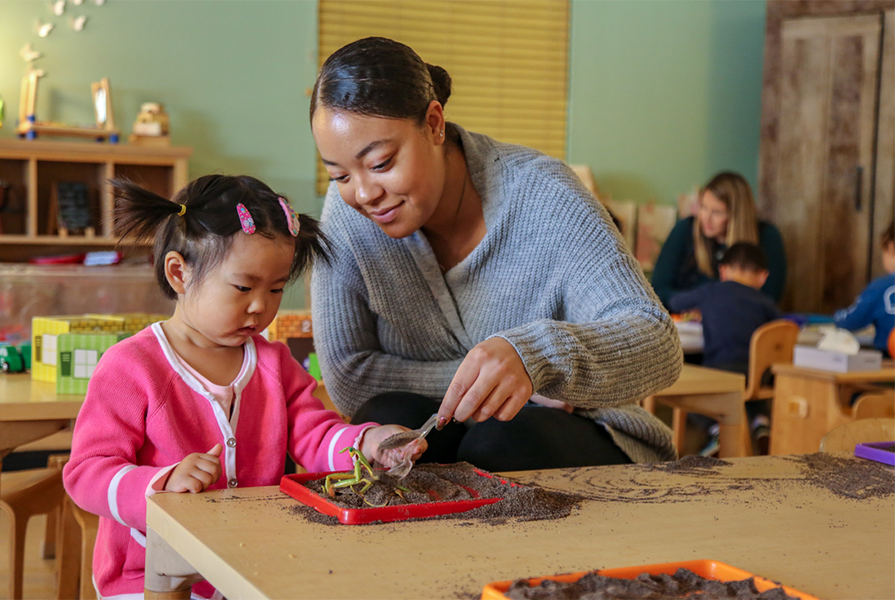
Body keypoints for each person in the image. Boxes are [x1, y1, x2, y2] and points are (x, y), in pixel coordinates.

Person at [308, 36, 683, 473]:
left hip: (581, 434)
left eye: (381, 163)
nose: (364, 193)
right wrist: (487, 381)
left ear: (433, 123)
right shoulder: (348, 216)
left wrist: (537, 358)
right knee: (389, 423)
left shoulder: (544, 195)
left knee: (499, 442)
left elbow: (657, 342)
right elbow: (349, 376)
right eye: (339, 175)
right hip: (448, 427)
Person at [62, 174, 424, 600]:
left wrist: (366, 442)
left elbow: (313, 432)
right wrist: (160, 483)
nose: (260, 306)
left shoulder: (272, 362)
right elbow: (87, 472)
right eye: (243, 287)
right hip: (147, 576)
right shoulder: (131, 367)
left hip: (251, 563)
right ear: (179, 273)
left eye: (275, 289)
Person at [668, 242, 782, 454]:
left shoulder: (711, 292)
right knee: (748, 390)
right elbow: (779, 330)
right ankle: (761, 422)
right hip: (759, 376)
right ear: (763, 276)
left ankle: (715, 429)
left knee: (682, 393)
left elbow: (675, 301)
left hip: (722, 370)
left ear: (723, 270)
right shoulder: (765, 302)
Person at [651, 172, 787, 310]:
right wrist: (698, 303)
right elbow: (658, 290)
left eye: (717, 212)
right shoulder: (685, 229)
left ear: (736, 216)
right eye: (703, 207)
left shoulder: (767, 236)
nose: (706, 218)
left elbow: (770, 298)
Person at [834, 219, 895, 354]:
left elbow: (852, 321)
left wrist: (837, 317)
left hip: (888, 362)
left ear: (890, 247)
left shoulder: (879, 287)